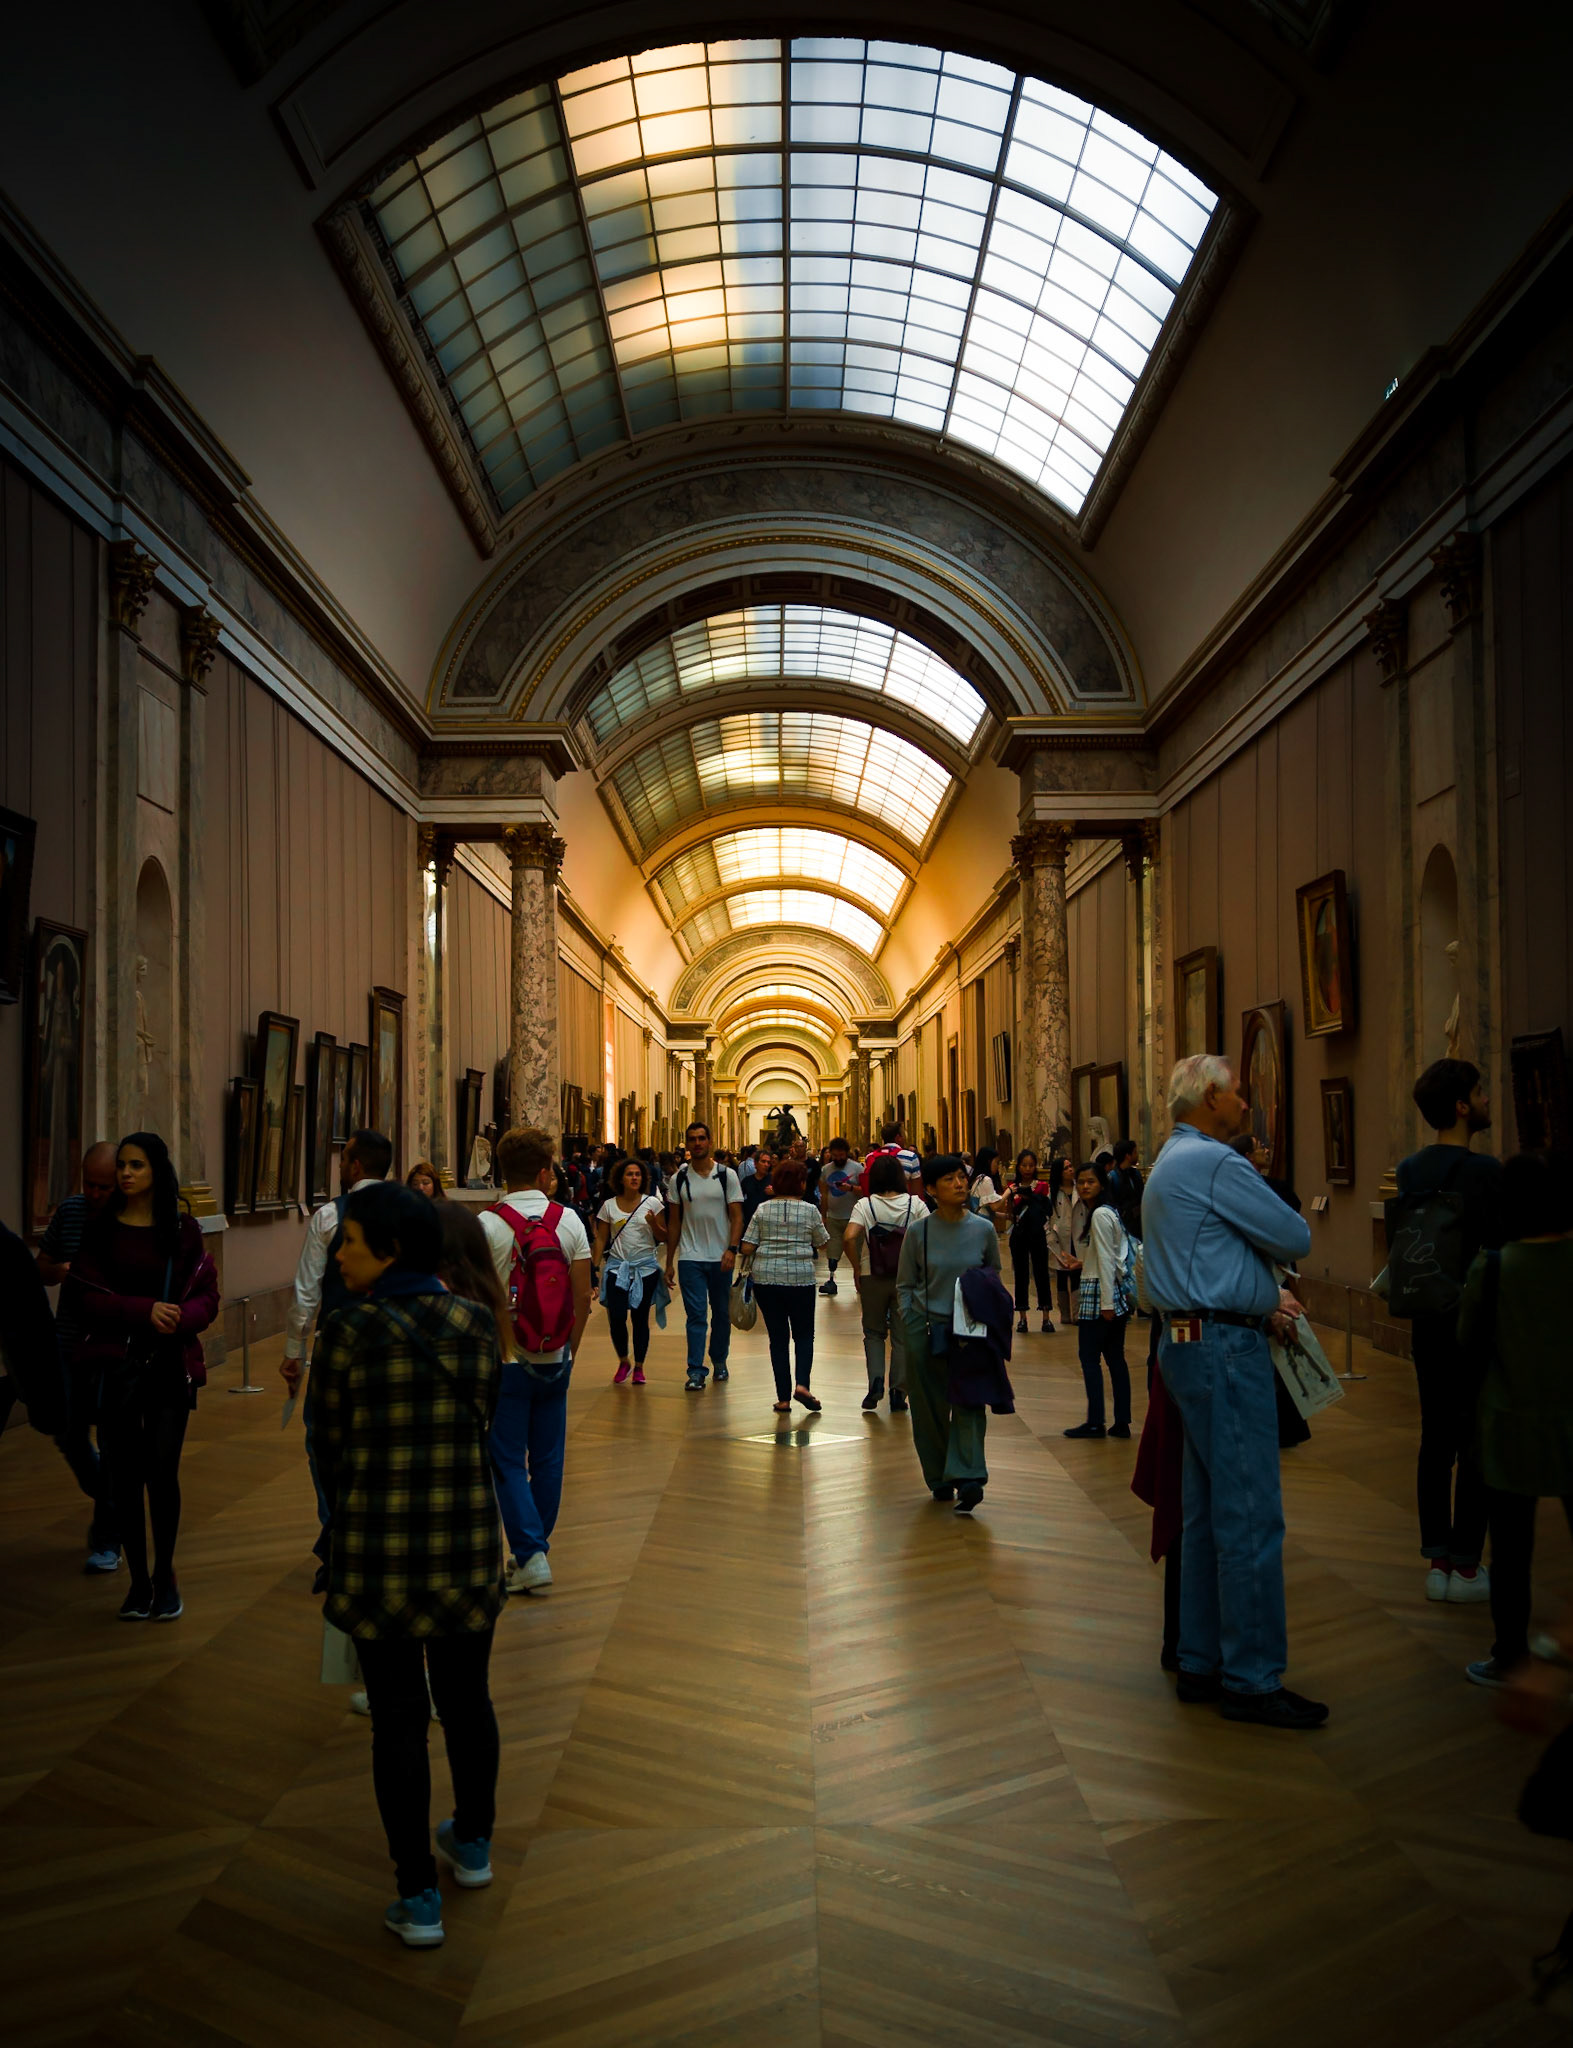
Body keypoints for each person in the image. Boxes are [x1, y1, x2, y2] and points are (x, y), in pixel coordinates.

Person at [309, 1181, 504, 1948]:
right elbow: (484, 1422)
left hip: (379, 1552)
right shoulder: (475, 1323)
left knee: (396, 1720)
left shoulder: (347, 1331)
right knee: (467, 1700)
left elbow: (326, 1445)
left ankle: (417, 1894)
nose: (339, 1251)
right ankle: (476, 1842)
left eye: (350, 1239)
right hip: (462, 1542)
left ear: (389, 1249)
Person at [1141, 1056, 1323, 1728]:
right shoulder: (1215, 1163)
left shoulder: (1170, 1160)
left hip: (1184, 1344)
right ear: (1211, 1097)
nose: (1244, 1100)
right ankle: (1250, 1678)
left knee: (1204, 1510)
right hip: (1221, 1347)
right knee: (1248, 1516)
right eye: (1237, 1091)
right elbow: (1295, 1234)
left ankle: (1199, 1660)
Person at [74, 1133, 219, 1622]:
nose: (125, 1174)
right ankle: (137, 1579)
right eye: (121, 1166)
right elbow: (85, 1297)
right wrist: (143, 1310)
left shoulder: (181, 1228)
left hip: (168, 1367)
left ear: (157, 1169)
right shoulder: (99, 1229)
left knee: (162, 1471)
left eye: (136, 1165)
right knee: (124, 1476)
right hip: (116, 1365)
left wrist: (182, 1316)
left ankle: (165, 1575)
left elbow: (207, 1294)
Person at [1455, 1150, 1573, 1689]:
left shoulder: (1495, 1268)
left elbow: (1470, 1348)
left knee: (1511, 1553)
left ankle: (1510, 1655)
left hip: (1510, 1427)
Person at [1395, 1058, 1503, 1604]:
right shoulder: (1487, 1173)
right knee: (1475, 1445)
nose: (1487, 1100)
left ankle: (1435, 1561)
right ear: (1462, 1106)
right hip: (1474, 1323)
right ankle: (1466, 1565)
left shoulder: (1411, 1169)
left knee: (1434, 1441)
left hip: (1427, 1320)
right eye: (1480, 1093)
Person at [479, 1126, 593, 1596]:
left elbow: (476, 1298)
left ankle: (529, 1553)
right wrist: (570, 1350)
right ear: (546, 1173)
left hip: (505, 1359)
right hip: (556, 1355)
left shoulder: (486, 1225)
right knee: (548, 1459)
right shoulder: (568, 1221)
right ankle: (534, 1549)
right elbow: (584, 1296)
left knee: (506, 1459)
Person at [281, 1129, 394, 1568]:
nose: (342, 1165)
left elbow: (306, 1289)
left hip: (338, 1343)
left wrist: (295, 1350)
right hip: (393, 1344)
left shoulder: (330, 1216)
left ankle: (337, 1530)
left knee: (326, 1441)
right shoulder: (408, 1214)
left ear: (356, 1166)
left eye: (344, 1158)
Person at [896, 1151, 1003, 1515]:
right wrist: (912, 1321)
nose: (959, 1184)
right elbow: (906, 1283)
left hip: (971, 1331)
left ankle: (970, 1476)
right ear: (930, 1189)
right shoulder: (919, 1231)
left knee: (970, 1402)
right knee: (929, 1408)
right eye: (949, 1180)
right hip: (926, 1327)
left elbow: (993, 1276)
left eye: (961, 1177)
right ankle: (940, 1476)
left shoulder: (984, 1229)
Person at [36, 1140, 122, 1570]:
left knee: (110, 1438)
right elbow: (43, 1265)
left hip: (112, 1348)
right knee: (66, 1432)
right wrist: (66, 1271)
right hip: (68, 1343)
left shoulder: (132, 1219)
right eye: (89, 1184)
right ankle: (108, 1495)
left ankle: (107, 1539)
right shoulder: (70, 1212)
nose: (94, 1194)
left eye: (103, 1187)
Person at [739, 1158, 829, 1413]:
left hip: (767, 1279)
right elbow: (822, 1242)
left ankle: (783, 1398)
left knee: (778, 1339)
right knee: (803, 1335)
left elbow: (747, 1246)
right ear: (801, 1183)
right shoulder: (810, 1210)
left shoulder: (763, 1209)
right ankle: (802, 1385)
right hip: (800, 1279)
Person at [664, 1122, 744, 1393]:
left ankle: (719, 1359)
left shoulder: (726, 1176)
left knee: (721, 1313)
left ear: (710, 1141)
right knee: (696, 1315)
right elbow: (674, 1222)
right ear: (687, 1144)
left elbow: (737, 1215)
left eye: (701, 1138)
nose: (697, 1143)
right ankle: (695, 1370)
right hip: (690, 1257)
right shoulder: (679, 1179)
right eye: (692, 1139)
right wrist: (669, 1262)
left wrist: (732, 1249)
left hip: (721, 1256)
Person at [1065, 1159, 1134, 1441]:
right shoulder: (1106, 1213)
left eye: (1090, 1181)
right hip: (1109, 1292)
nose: (1083, 1186)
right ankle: (1121, 1421)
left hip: (1101, 1297)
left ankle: (1096, 1422)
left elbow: (1107, 1260)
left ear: (1102, 1184)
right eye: (1080, 1182)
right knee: (1115, 1358)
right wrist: (1082, 1263)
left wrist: (1106, 1304)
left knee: (1090, 1358)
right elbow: (1108, 1255)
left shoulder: (1100, 1215)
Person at [843, 1152, 917, 1413]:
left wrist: (856, 1267)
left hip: (871, 1274)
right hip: (906, 1278)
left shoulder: (865, 1205)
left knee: (873, 1333)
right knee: (902, 1336)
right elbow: (928, 1237)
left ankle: (875, 1381)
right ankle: (899, 1391)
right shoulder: (914, 1204)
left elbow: (849, 1237)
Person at [592, 1155, 667, 1384]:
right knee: (616, 1317)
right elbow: (601, 1239)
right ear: (621, 1179)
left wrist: (653, 1224)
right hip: (617, 1268)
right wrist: (594, 1268)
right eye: (629, 1174)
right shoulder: (608, 1206)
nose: (634, 1178)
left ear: (643, 1179)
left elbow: (664, 1236)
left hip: (645, 1269)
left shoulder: (653, 1204)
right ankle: (624, 1360)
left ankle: (639, 1367)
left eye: (637, 1174)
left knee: (640, 1318)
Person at [1004, 1149, 1055, 1336]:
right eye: (1024, 1165)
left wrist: (1032, 1197)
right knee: (1021, 1275)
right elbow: (1010, 1211)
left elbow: (1047, 1210)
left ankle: (1046, 1316)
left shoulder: (1042, 1186)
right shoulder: (1012, 1186)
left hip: (1037, 1234)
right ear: (1018, 1166)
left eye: (1031, 1165)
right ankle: (1022, 1318)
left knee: (1042, 1273)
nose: (1027, 1168)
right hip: (1019, 1234)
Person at [817, 1136, 863, 1296]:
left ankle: (859, 1278)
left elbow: (865, 1191)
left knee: (856, 1252)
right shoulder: (826, 1170)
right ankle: (831, 1279)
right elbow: (824, 1193)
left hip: (854, 1217)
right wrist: (823, 1215)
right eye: (834, 1155)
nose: (837, 1158)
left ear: (846, 1153)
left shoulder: (857, 1169)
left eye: (840, 1155)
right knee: (832, 1251)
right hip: (834, 1217)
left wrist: (850, 1188)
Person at [1046, 1154, 1084, 1326]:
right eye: (1066, 1168)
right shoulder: (1053, 1192)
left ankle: (1077, 1313)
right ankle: (1065, 1314)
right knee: (1061, 1275)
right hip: (1059, 1237)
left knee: (1076, 1273)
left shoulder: (1079, 1188)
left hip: (1078, 1234)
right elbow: (1049, 1216)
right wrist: (1051, 1236)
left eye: (1071, 1166)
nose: (1071, 1170)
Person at [864, 1121, 923, 1197]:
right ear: (898, 1138)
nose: (905, 1138)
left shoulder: (870, 1157)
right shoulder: (910, 1157)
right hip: (903, 1206)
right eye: (903, 1135)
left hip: (876, 1205)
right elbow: (916, 1192)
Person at [1106, 1138, 1145, 1236]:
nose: (1137, 1155)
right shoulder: (1112, 1177)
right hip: (1123, 1228)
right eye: (1135, 1152)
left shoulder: (1136, 1174)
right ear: (1128, 1156)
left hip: (1139, 1226)